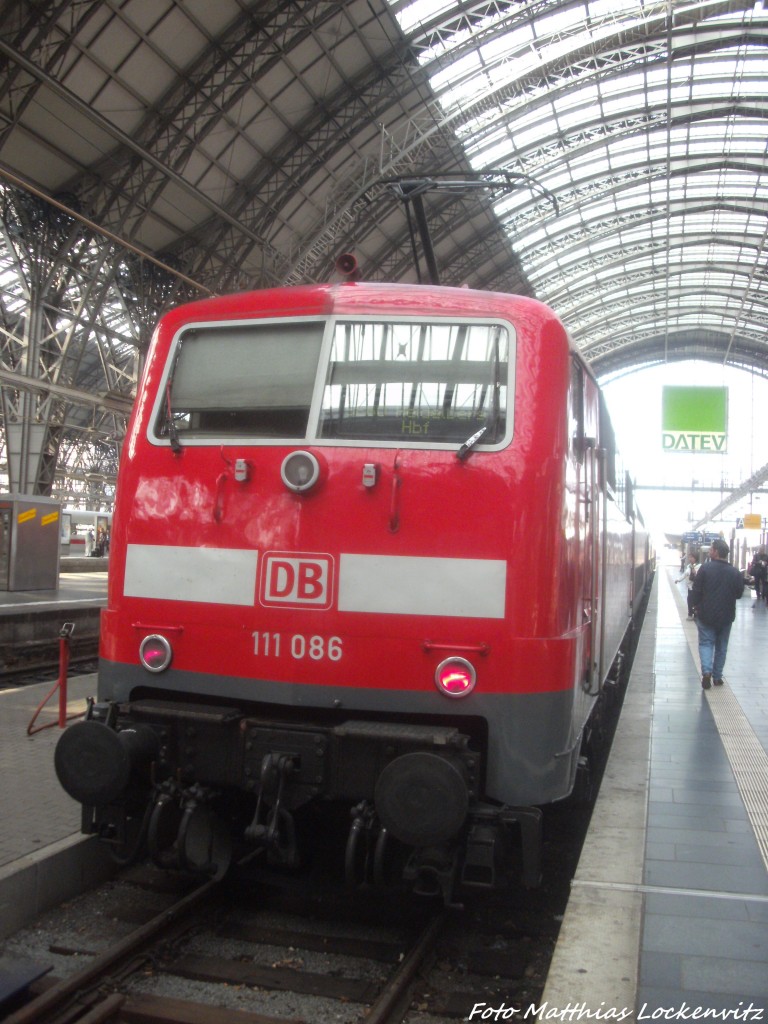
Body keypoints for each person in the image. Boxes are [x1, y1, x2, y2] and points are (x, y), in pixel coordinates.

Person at [690, 538, 745, 690]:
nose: (710, 551)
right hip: (726, 615)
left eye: (711, 549)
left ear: (715, 552)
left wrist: (695, 606)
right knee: (722, 646)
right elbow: (739, 594)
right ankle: (717, 677)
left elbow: (696, 590)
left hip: (706, 614)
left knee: (706, 643)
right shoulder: (734, 572)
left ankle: (706, 672)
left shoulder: (705, 569)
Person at [675, 552, 700, 619]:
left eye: (692, 557)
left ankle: (694, 614)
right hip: (690, 587)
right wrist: (678, 580)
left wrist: (695, 573)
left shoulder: (699, 566)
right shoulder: (689, 566)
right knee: (690, 601)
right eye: (689, 557)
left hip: (696, 588)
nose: (690, 559)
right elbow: (684, 575)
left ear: (696, 558)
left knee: (694, 601)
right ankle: (691, 614)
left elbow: (701, 577)